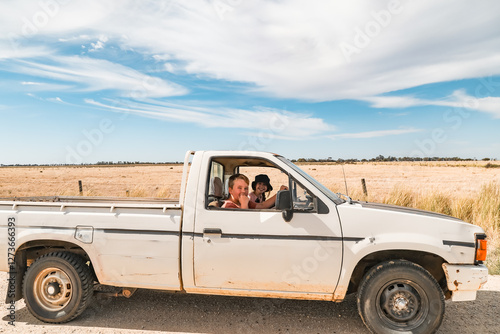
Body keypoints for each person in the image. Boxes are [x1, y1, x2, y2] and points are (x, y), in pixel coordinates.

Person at [222, 173, 287, 209]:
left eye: (246, 188)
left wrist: (279, 193)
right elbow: (243, 223)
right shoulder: (228, 206)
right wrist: (244, 204)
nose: (243, 191)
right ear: (230, 190)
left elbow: (262, 205)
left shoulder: (245, 201)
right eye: (239, 188)